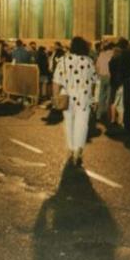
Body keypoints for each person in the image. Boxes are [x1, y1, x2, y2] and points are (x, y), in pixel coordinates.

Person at [52, 36, 98, 165]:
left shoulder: (63, 61)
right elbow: (94, 81)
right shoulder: (89, 61)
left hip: (67, 95)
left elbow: (56, 81)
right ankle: (78, 150)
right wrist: (93, 96)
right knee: (82, 124)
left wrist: (55, 97)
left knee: (69, 123)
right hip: (83, 96)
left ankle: (71, 148)